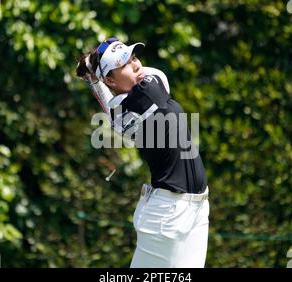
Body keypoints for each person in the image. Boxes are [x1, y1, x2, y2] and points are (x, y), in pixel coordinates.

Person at [76, 37, 209, 268]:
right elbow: (155, 73)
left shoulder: (120, 114)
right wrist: (94, 72)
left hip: (196, 208)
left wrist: (97, 77)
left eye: (134, 57)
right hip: (167, 216)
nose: (136, 65)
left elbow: (111, 106)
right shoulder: (147, 91)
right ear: (110, 78)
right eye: (124, 63)